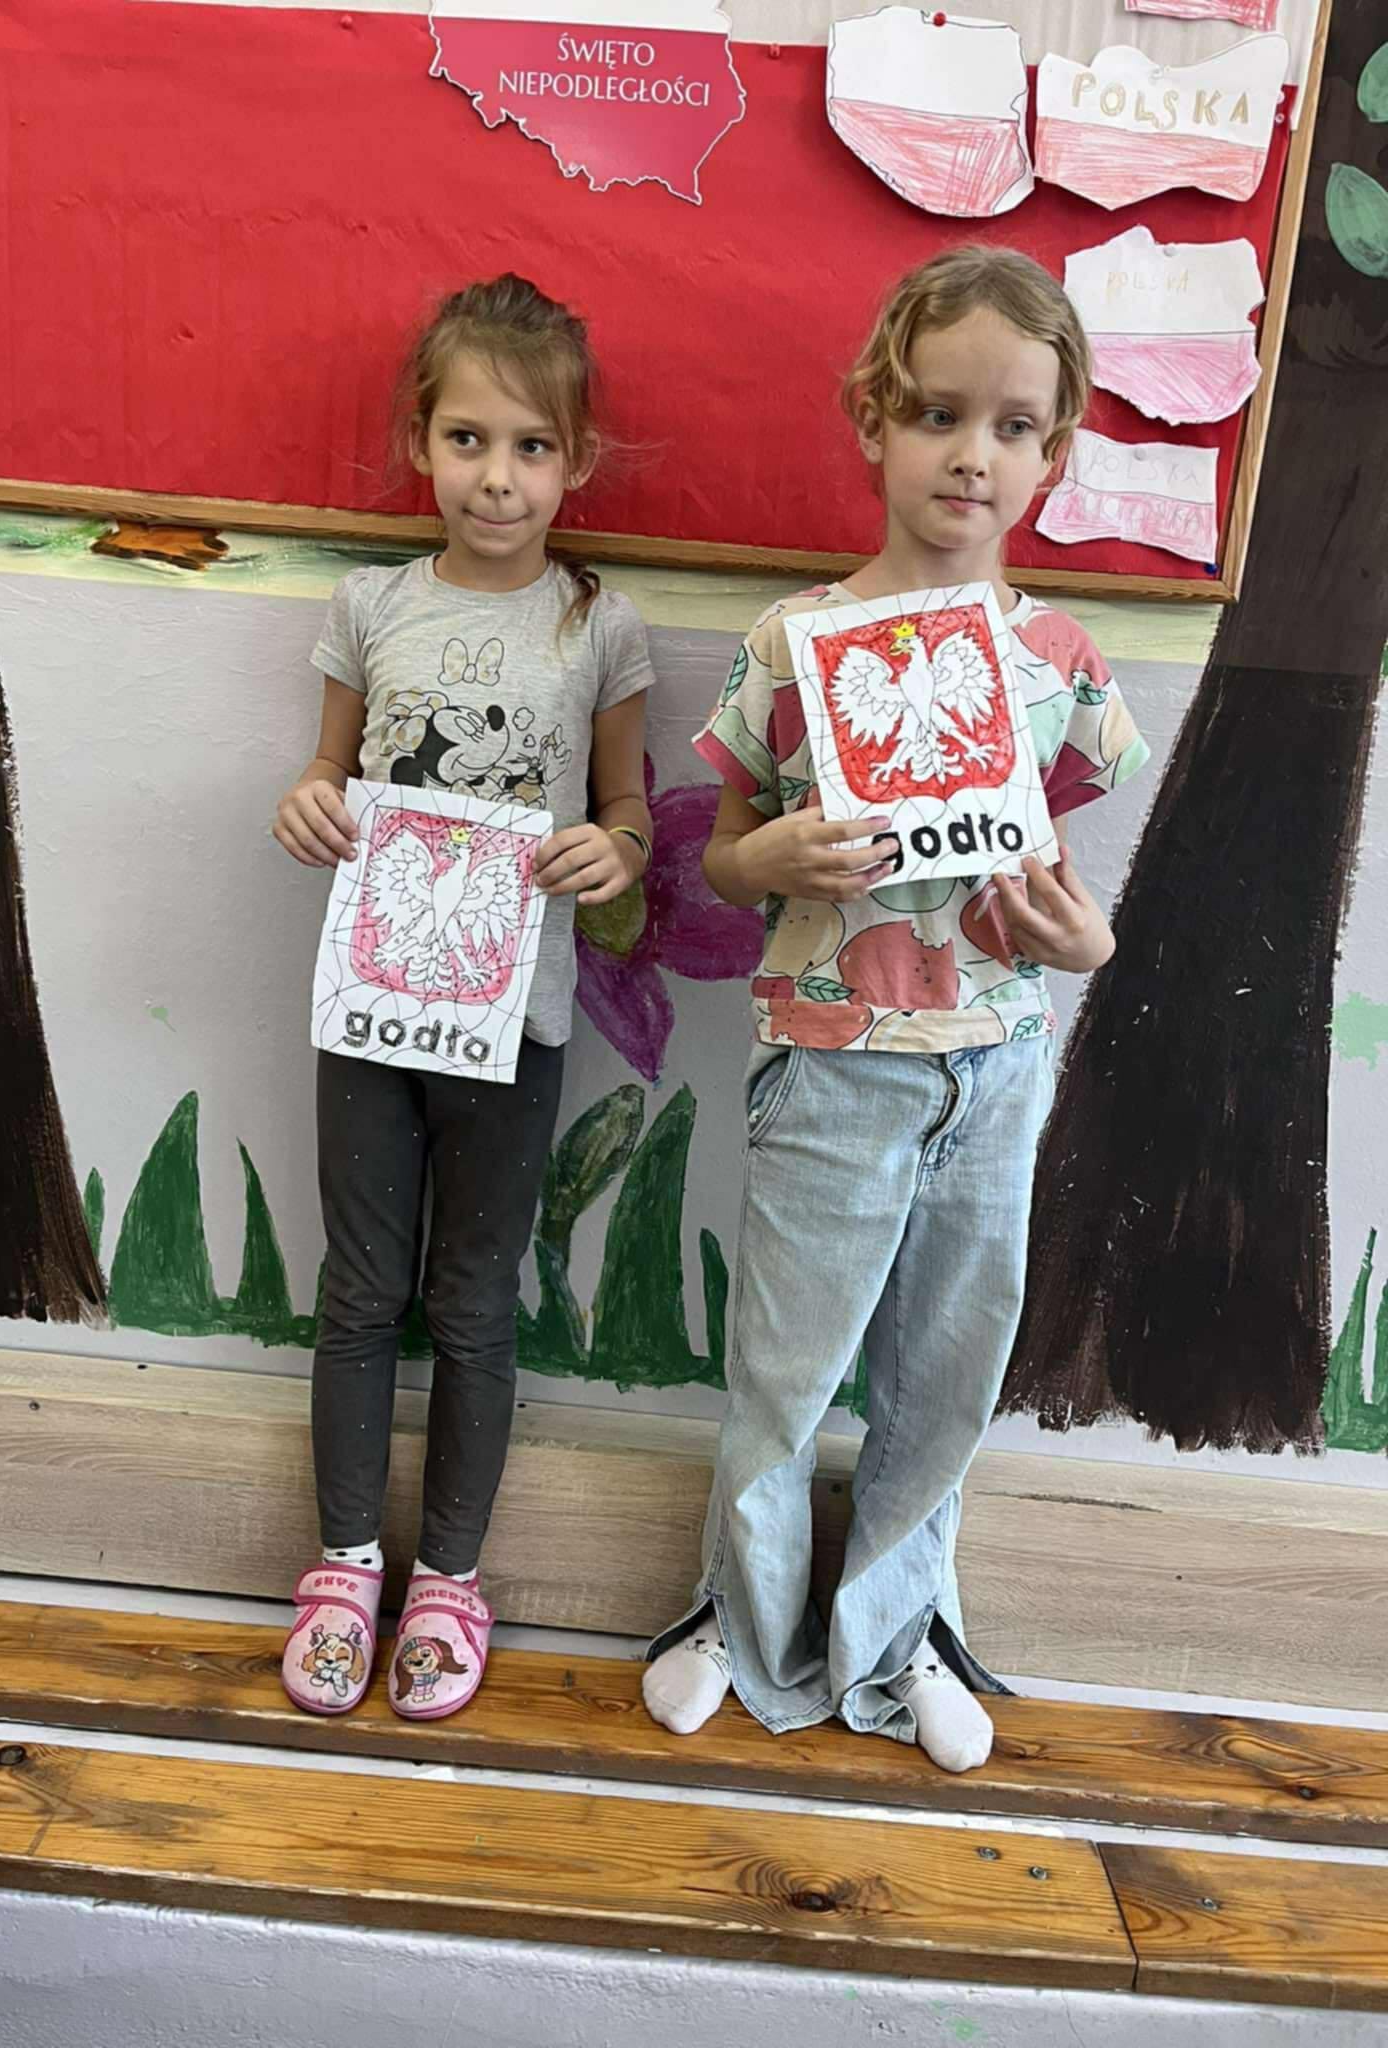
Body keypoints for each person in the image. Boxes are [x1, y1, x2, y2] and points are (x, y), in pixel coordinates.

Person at [642, 247, 1149, 1772]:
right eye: (938, 414)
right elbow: (725, 856)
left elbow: (1066, 887)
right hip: (830, 1062)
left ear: (1054, 456)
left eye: (1012, 426)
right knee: (785, 1372)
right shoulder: (794, 642)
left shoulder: (1058, 662)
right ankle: (739, 1621)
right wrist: (772, 856)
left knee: (945, 1376)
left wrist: (1090, 943)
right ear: (874, 421)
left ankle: (899, 1633)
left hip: (992, 1066)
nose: (971, 455)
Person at [273, 275, 654, 1721]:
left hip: (517, 1021)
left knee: (476, 1301)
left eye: (533, 447)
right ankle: (343, 1565)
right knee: (360, 1290)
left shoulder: (600, 626)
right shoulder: (370, 606)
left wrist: (611, 851)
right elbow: (330, 772)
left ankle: (448, 1579)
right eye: (469, 440)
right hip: (370, 1010)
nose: (498, 477)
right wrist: (309, 803)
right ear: (418, 442)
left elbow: (627, 815)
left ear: (577, 460)